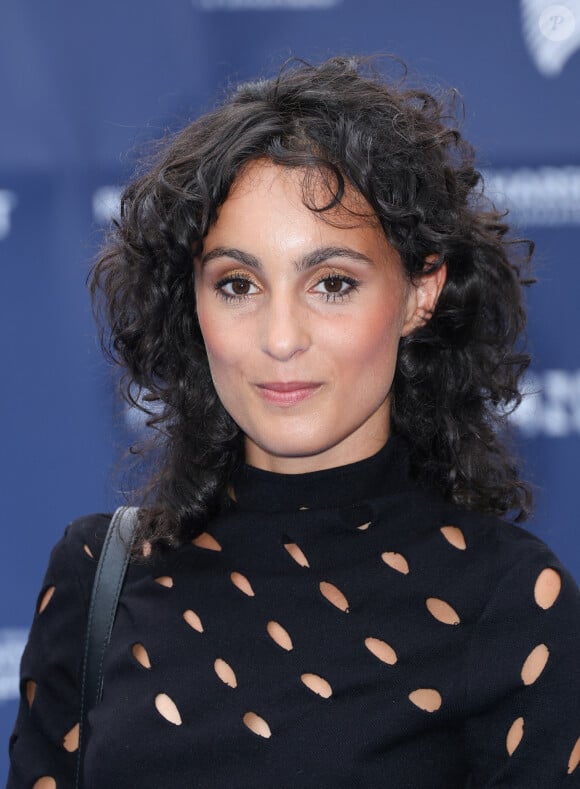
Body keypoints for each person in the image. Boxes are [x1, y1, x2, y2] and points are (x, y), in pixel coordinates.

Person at [8, 56, 580, 788]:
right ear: (193, 302)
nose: (281, 337)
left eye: (332, 283)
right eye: (237, 284)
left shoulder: (509, 601)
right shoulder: (98, 577)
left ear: (420, 293)